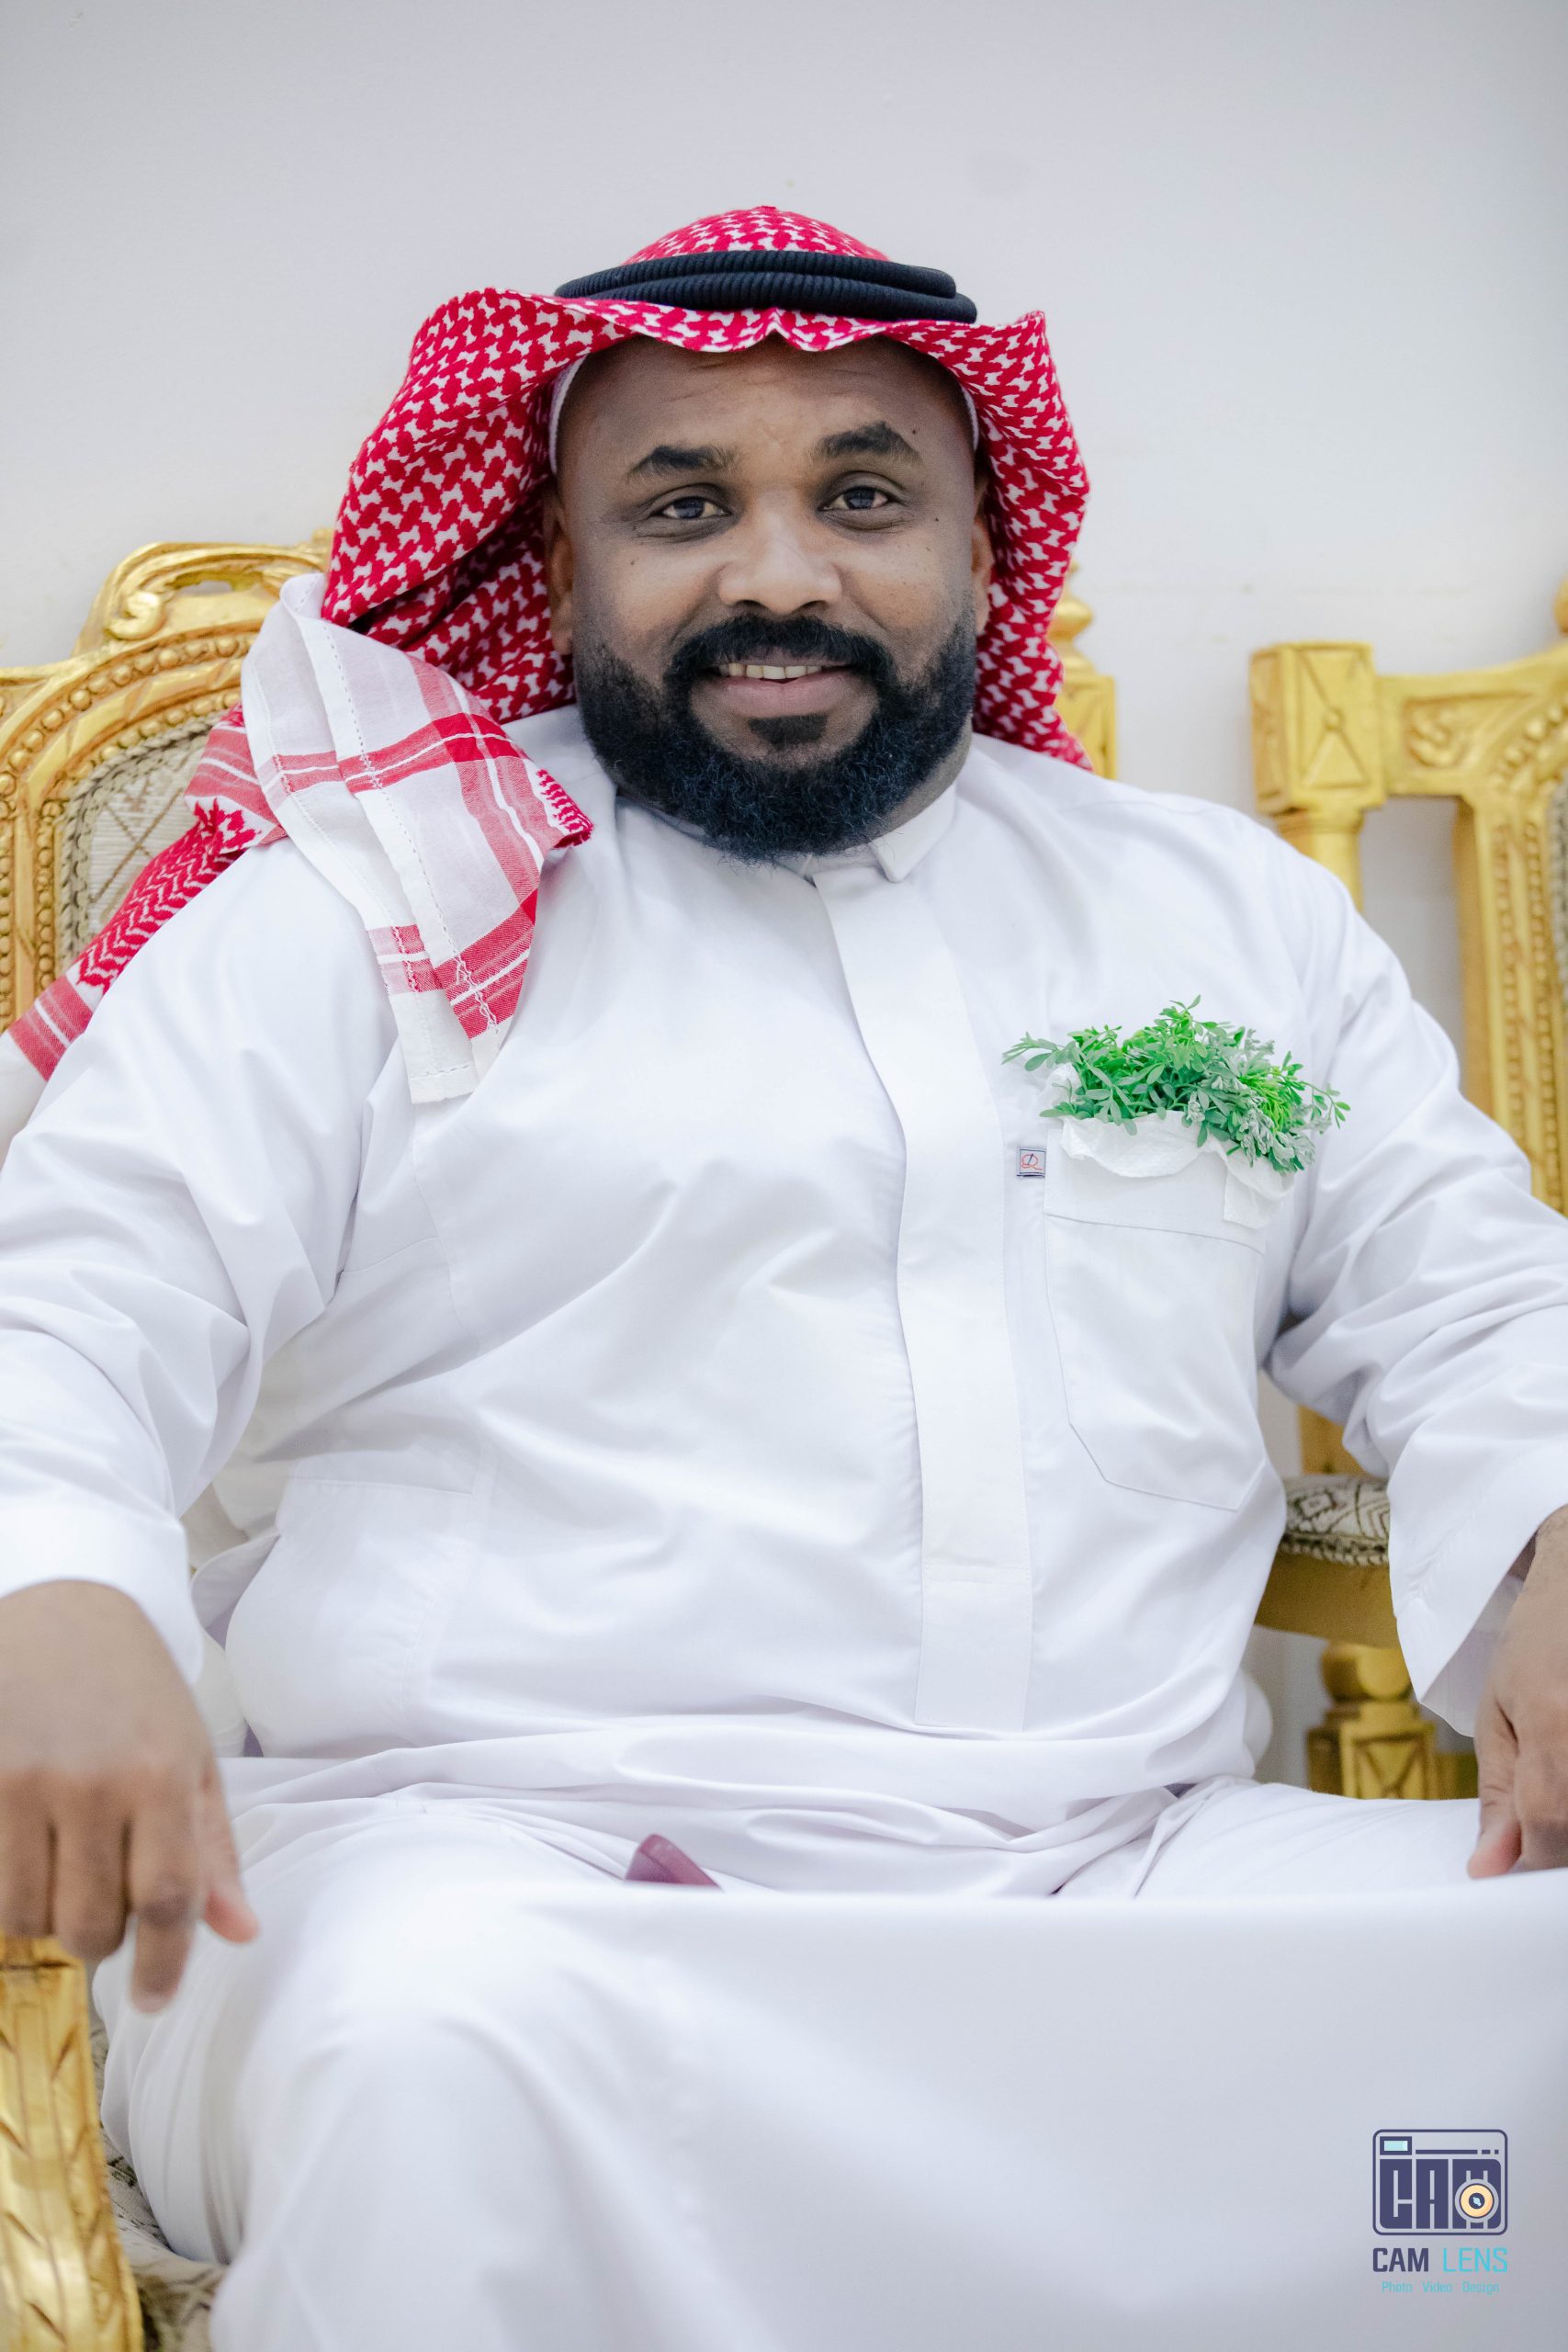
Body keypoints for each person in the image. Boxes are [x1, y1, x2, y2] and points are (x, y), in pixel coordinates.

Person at [1, 207, 1566, 2350]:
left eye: (859, 496)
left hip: (1120, 1880)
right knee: (436, 2047)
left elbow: (1472, 1293)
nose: (776, 573)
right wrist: (59, 1581)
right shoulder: (363, 906)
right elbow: (71, 1295)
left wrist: (1553, 1526)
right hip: (492, 1873)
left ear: (983, 550)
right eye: (678, 507)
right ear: (556, 566)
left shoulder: (1211, 916)